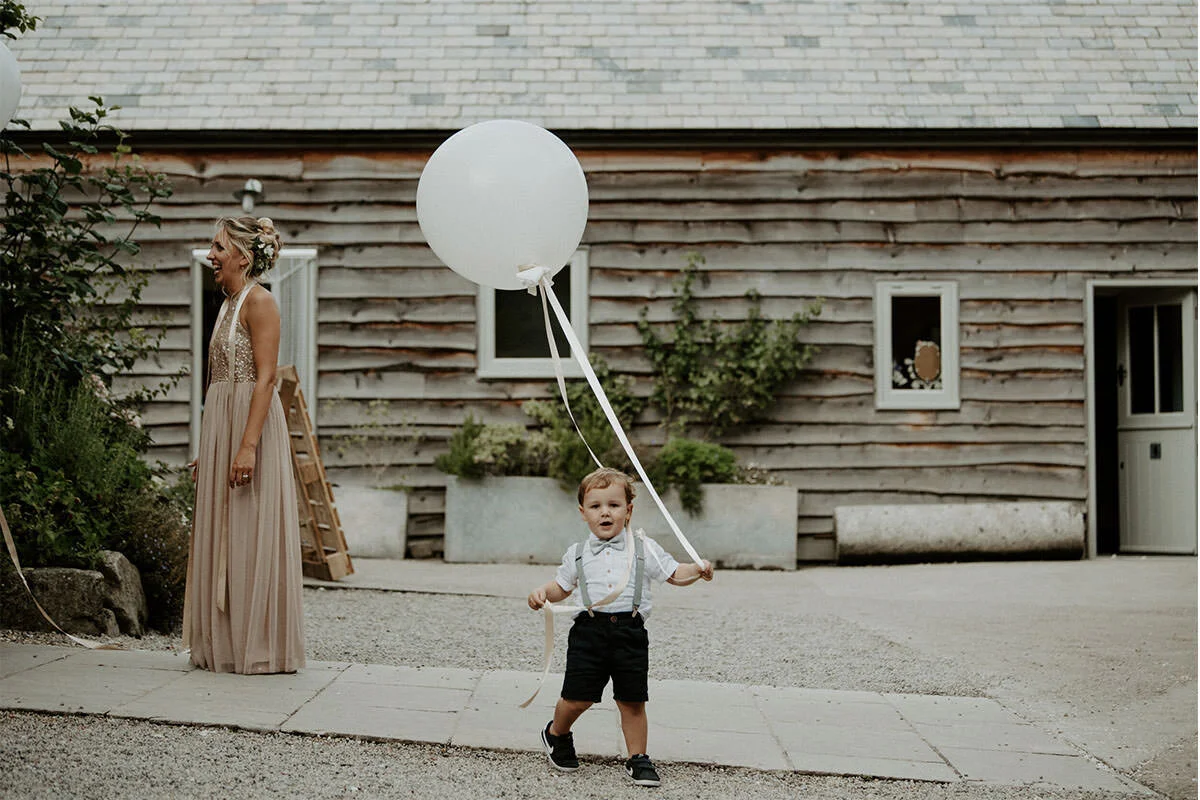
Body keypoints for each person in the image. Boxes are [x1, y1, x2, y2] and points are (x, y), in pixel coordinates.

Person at [527, 467, 714, 787]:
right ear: (583, 512)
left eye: (613, 505)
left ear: (628, 511)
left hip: (630, 632)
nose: (605, 512)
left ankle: (637, 757)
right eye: (596, 506)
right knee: (578, 698)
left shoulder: (644, 547)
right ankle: (556, 733)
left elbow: (673, 574)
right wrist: (543, 593)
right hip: (589, 632)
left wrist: (697, 570)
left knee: (632, 700)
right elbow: (562, 586)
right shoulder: (578, 553)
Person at [182, 216, 306, 674]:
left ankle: (257, 646)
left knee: (250, 529)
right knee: (223, 530)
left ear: (242, 256)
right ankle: (224, 644)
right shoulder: (225, 304)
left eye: (217, 247)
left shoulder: (261, 302)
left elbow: (266, 378)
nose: (211, 255)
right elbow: (219, 382)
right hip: (223, 424)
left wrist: (248, 446)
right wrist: (211, 446)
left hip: (250, 426)